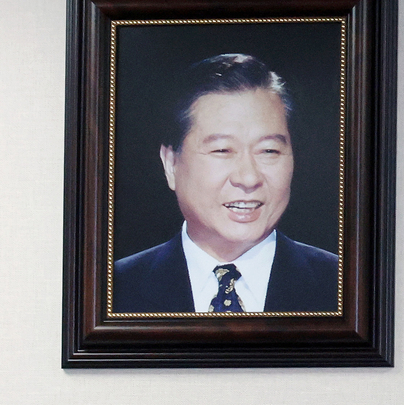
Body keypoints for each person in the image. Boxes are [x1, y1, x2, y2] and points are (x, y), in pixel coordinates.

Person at [112, 53, 339, 315]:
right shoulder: (114, 291)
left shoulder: (344, 287)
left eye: (269, 151)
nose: (248, 178)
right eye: (222, 150)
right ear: (170, 164)